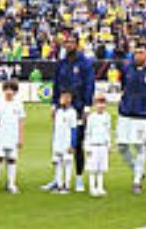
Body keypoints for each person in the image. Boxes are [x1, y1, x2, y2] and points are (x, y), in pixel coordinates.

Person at [116, 41, 146, 193]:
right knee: (122, 146)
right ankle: (138, 170)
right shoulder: (126, 68)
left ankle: (136, 181)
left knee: (139, 147)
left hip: (142, 115)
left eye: (141, 52)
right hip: (125, 111)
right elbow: (123, 86)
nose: (138, 55)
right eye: (136, 52)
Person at [53, 33, 97, 188]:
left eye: (71, 42)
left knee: (77, 142)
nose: (68, 45)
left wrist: (86, 106)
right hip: (61, 107)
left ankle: (78, 177)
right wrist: (54, 104)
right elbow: (56, 84)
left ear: (77, 44)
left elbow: (89, 85)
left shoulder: (85, 63)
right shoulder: (61, 63)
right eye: (66, 42)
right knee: (58, 141)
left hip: (78, 107)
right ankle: (57, 178)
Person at [0, 78, 24, 194]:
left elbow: (21, 121)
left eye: (12, 90)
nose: (9, 92)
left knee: (12, 160)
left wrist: (20, 137)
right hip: (1, 135)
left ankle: (11, 184)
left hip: (13, 135)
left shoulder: (18, 103)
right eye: (7, 89)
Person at [51, 87, 82, 195]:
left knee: (67, 164)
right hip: (57, 142)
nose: (63, 99)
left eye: (65, 97)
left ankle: (67, 185)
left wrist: (72, 144)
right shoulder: (58, 112)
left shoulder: (72, 112)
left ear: (70, 99)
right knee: (58, 164)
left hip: (67, 142)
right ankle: (59, 184)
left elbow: (74, 129)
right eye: (62, 97)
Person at [84, 90, 114, 197]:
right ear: (95, 105)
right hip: (94, 145)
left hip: (103, 145)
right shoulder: (91, 117)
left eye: (103, 103)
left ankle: (100, 187)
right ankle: (93, 187)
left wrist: (109, 144)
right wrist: (87, 146)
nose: (101, 106)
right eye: (98, 103)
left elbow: (108, 131)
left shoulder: (107, 116)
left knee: (101, 168)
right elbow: (88, 132)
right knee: (93, 168)